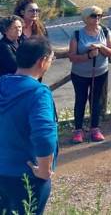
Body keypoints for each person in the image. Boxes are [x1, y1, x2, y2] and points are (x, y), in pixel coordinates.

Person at [0, 36, 58, 215]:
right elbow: (44, 135)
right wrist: (44, 169)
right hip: (25, 175)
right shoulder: (38, 92)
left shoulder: (2, 83)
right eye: (52, 59)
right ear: (42, 61)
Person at [68, 6, 111, 143]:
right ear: (86, 18)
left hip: (100, 73)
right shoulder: (77, 34)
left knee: (96, 101)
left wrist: (101, 47)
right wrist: (88, 55)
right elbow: (72, 57)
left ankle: (95, 128)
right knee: (80, 100)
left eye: (100, 15)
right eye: (94, 16)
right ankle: (78, 130)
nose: (97, 18)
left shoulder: (105, 31)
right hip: (80, 75)